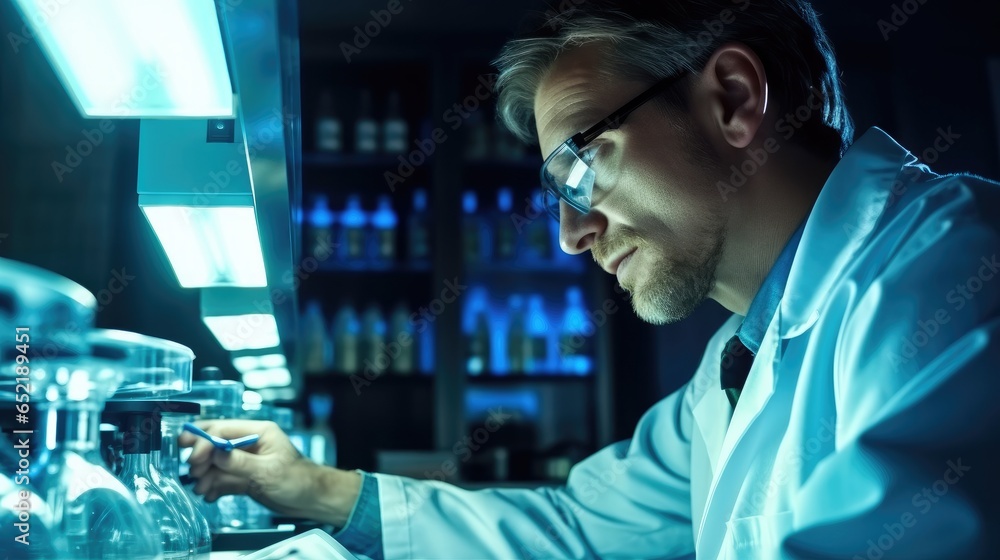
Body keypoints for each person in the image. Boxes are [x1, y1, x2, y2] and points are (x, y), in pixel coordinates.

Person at [181, 1, 1000, 558]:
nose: (573, 234)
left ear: (736, 99)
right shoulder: (730, 371)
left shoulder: (954, 266)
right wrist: (309, 488)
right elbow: (576, 530)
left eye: (579, 167)